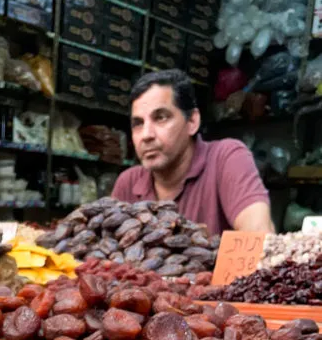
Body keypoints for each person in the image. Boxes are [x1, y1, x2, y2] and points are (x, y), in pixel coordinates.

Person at [112, 69, 274, 235]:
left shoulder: (226, 158)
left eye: (161, 117)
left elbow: (259, 236)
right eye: (138, 123)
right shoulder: (128, 184)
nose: (146, 135)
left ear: (192, 121)